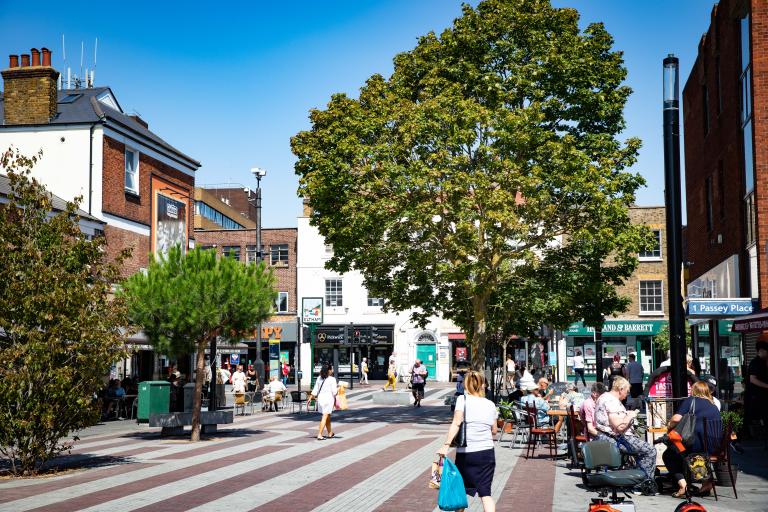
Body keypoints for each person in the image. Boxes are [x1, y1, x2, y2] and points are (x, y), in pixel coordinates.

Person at [437, 371, 498, 512]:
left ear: (466, 385)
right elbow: (494, 430)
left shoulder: (462, 400)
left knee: (460, 490)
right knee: (486, 494)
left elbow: (456, 423)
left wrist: (446, 445)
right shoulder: (490, 404)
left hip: (466, 454)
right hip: (486, 453)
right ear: (482, 385)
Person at [594, 376, 658, 494]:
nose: (626, 395)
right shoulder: (611, 401)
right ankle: (643, 484)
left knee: (641, 449)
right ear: (620, 389)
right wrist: (630, 415)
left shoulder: (603, 397)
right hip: (615, 438)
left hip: (607, 436)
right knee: (650, 450)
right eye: (626, 392)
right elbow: (620, 427)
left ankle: (637, 479)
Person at [662, 381, 722, 498]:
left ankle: (682, 485)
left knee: (670, 454)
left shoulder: (691, 401)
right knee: (684, 451)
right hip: (713, 445)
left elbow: (676, 418)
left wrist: (669, 425)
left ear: (694, 391)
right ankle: (706, 482)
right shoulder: (714, 405)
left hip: (697, 445)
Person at [746, 336, 768, 442]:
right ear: (761, 351)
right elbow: (753, 379)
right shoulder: (756, 363)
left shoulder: (763, 362)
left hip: (760, 396)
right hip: (756, 396)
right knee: (759, 416)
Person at [309, 365, 338, 440]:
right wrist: (339, 389)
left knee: (327, 415)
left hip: (321, 399)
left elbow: (315, 389)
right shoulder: (332, 379)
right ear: (329, 370)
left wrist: (310, 397)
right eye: (331, 369)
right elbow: (334, 392)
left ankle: (330, 433)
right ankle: (319, 434)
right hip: (328, 399)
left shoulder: (319, 378)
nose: (332, 370)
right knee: (325, 416)